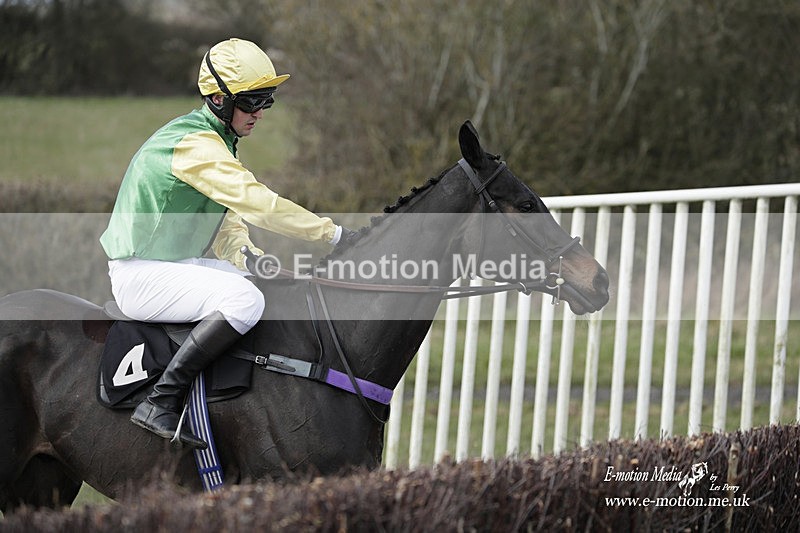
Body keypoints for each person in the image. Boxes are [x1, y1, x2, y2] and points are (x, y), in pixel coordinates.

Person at [100, 38, 351, 449]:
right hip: (141, 275)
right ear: (218, 99)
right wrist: (333, 234)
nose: (260, 113)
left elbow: (227, 220)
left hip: (174, 266)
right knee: (244, 300)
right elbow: (258, 203)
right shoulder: (196, 145)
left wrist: (248, 256)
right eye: (251, 102)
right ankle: (161, 400)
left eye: (267, 101)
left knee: (257, 285)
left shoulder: (216, 142)